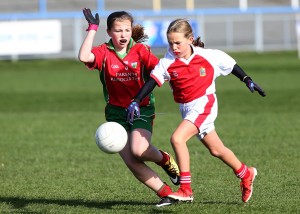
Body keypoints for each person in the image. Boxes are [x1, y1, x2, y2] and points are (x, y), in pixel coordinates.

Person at [127, 18, 266, 204]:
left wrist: (247, 79)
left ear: (190, 39)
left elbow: (231, 65)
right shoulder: (167, 61)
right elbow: (152, 81)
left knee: (177, 138)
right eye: (170, 43)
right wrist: (136, 100)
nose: (174, 47)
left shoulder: (208, 56)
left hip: (204, 104)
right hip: (187, 109)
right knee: (216, 150)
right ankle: (246, 173)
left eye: (178, 43)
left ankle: (186, 190)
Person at [78, 8, 180, 207]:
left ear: (131, 31)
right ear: (109, 32)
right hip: (116, 113)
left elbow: (160, 70)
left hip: (142, 108)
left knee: (139, 149)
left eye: (126, 30)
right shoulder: (104, 52)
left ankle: (165, 160)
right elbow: (84, 57)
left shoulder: (141, 51)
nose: (123, 34)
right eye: (118, 30)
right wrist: (92, 29)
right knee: (132, 161)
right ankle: (167, 194)